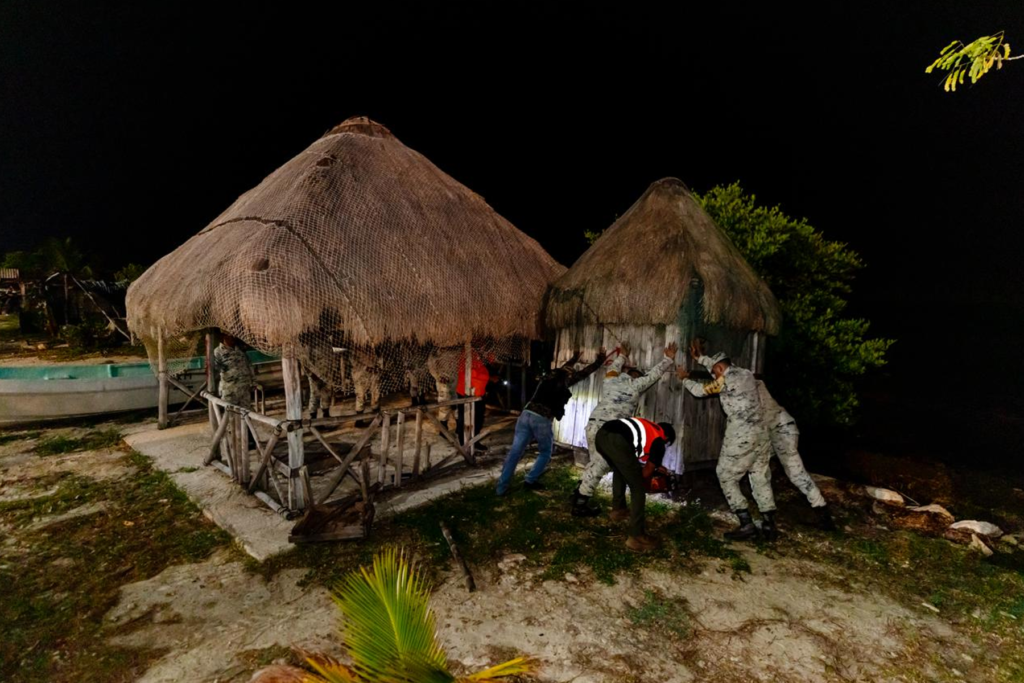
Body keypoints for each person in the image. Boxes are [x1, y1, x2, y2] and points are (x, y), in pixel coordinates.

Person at [678, 342, 776, 541]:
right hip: (763, 434)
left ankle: (746, 524)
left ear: (721, 369)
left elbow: (700, 391)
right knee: (759, 475)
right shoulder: (746, 374)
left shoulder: (726, 379)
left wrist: (685, 379)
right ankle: (769, 525)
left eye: (715, 372)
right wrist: (701, 359)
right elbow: (719, 372)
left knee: (725, 475)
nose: (714, 376)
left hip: (742, 433)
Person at [571, 341, 677, 517]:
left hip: (593, 423)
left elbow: (614, 366)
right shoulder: (635, 385)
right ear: (636, 377)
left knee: (596, 463)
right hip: (608, 430)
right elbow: (653, 375)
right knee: (600, 466)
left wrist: (622, 355)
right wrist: (668, 359)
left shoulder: (611, 379)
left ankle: (579, 492)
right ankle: (580, 503)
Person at [495, 348, 607, 496]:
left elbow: (564, 369)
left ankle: (501, 488)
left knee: (515, 453)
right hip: (541, 419)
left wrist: (574, 358)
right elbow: (584, 373)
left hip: (525, 414)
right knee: (546, 452)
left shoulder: (548, 376)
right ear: (569, 374)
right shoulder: (566, 380)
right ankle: (530, 480)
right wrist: (599, 360)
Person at [594, 416, 676, 551]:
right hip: (617, 440)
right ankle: (636, 537)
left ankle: (618, 511)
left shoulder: (649, 428)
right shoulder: (659, 440)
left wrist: (655, 465)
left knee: (619, 470)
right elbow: (645, 473)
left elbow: (632, 460)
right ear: (666, 437)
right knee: (638, 488)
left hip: (601, 436)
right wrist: (650, 472)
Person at [455, 348, 494, 451]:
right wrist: (488, 377)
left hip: (479, 393)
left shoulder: (482, 353)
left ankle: (474, 440)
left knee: (478, 418)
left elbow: (491, 360)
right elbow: (471, 372)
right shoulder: (467, 353)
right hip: (466, 392)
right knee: (464, 418)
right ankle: (464, 443)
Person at [213, 334, 255, 409]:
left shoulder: (240, 349)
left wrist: (253, 381)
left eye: (232, 337)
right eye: (228, 337)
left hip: (244, 387)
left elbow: (249, 365)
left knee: (246, 412)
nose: (231, 339)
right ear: (223, 338)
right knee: (230, 413)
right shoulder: (218, 351)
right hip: (229, 389)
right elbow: (216, 368)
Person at [427, 347, 460, 427]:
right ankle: (444, 428)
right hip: (443, 382)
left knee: (456, 403)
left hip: (455, 380)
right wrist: (438, 377)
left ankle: (459, 426)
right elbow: (431, 366)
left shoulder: (456, 350)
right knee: (444, 405)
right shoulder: (435, 352)